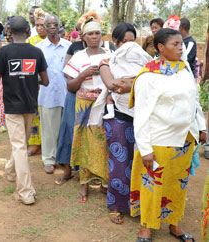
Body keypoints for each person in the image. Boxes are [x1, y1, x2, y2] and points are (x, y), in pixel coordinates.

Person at [129, 28, 206, 242]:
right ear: (160, 48)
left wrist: (201, 127)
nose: (181, 48)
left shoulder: (184, 69)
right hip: (158, 141)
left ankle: (174, 224)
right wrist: (145, 149)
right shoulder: (148, 75)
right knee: (152, 185)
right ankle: (146, 227)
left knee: (176, 185)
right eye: (175, 44)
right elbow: (141, 114)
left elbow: (194, 100)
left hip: (183, 140)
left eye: (181, 44)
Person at [0, 16, 49, 205]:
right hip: (30, 105)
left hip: (12, 106)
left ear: (9, 33)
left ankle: (24, 191)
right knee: (21, 143)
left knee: (19, 145)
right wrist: (29, 78)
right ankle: (17, 179)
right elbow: (45, 81)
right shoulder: (36, 52)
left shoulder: (4, 52)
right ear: (28, 32)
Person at [96, 23, 152, 224]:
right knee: (119, 162)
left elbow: (150, 83)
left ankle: (138, 203)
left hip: (143, 119)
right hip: (119, 117)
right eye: (124, 42)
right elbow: (112, 85)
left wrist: (127, 83)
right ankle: (116, 205)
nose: (129, 46)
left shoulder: (147, 63)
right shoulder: (106, 62)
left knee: (141, 162)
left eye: (132, 41)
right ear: (115, 42)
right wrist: (136, 83)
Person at [64, 18, 111, 202]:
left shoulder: (109, 54)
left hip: (104, 104)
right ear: (83, 37)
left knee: (104, 142)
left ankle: (104, 183)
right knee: (83, 142)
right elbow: (70, 86)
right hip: (83, 105)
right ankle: (84, 184)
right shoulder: (79, 57)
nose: (94, 37)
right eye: (90, 34)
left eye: (97, 33)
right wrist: (84, 74)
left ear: (101, 35)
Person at [35, 14, 71, 174]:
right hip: (47, 95)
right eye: (47, 24)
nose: (51, 27)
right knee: (49, 129)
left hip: (67, 94)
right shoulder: (39, 48)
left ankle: (63, 159)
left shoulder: (68, 46)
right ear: (44, 26)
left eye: (54, 24)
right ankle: (49, 159)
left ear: (59, 27)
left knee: (65, 128)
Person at [26, 8, 48, 156]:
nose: (39, 28)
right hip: (34, 83)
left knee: (47, 115)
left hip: (49, 83)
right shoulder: (30, 41)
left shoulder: (52, 41)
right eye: (37, 25)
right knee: (34, 114)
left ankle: (48, 144)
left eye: (42, 25)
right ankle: (35, 143)